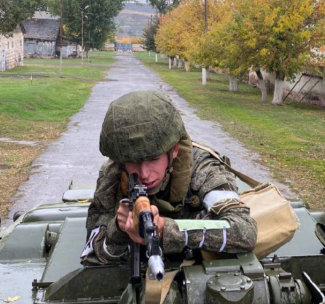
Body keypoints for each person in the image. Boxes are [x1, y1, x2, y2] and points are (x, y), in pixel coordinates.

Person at [82, 90, 257, 265]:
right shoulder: (112, 176)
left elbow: (244, 232)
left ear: (173, 150)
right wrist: (118, 230)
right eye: (132, 161)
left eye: (153, 159)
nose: (144, 173)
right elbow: (94, 256)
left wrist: (167, 230)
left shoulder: (203, 169)